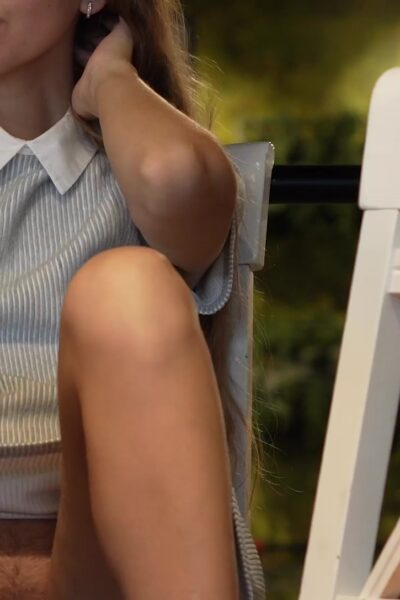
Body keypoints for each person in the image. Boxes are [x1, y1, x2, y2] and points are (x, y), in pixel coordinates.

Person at [0, 0, 266, 598]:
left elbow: (174, 175)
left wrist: (111, 77)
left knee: (127, 287)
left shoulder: (137, 175)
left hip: (105, 577)